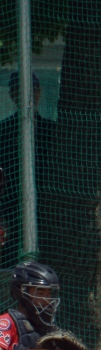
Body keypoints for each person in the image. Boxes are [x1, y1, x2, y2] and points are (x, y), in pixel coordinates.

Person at [0, 72, 56, 269]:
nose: (29, 95)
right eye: (20, 90)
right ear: (12, 94)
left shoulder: (52, 131)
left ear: (39, 92)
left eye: (33, 89)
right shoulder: (3, 131)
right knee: (12, 254)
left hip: (47, 205)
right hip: (11, 205)